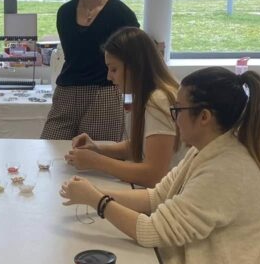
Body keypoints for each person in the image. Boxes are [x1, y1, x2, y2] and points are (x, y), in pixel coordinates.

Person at [60, 67, 260, 264]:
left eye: (178, 111)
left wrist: (98, 201)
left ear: (204, 117)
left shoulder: (226, 170)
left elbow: (152, 232)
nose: (175, 119)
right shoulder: (204, 151)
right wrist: (92, 193)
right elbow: (156, 197)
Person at [40, 0, 140, 142]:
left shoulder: (122, 15)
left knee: (95, 157)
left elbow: (133, 62)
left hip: (104, 94)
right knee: (49, 150)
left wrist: (129, 96)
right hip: (66, 93)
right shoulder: (65, 13)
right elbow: (73, 57)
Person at [65, 26, 180, 187]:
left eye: (114, 69)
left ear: (135, 66)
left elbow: (154, 175)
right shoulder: (150, 96)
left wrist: (96, 161)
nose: (109, 77)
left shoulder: (159, 100)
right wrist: (97, 149)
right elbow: (142, 145)